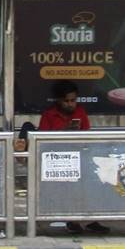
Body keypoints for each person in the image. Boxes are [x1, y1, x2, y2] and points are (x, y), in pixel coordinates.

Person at [37, 80, 107, 235]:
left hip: (80, 158)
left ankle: (90, 219)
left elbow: (88, 137)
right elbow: (41, 141)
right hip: (57, 161)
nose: (70, 104)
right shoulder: (49, 115)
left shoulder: (80, 113)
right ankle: (72, 220)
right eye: (66, 101)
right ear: (59, 101)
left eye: (73, 101)